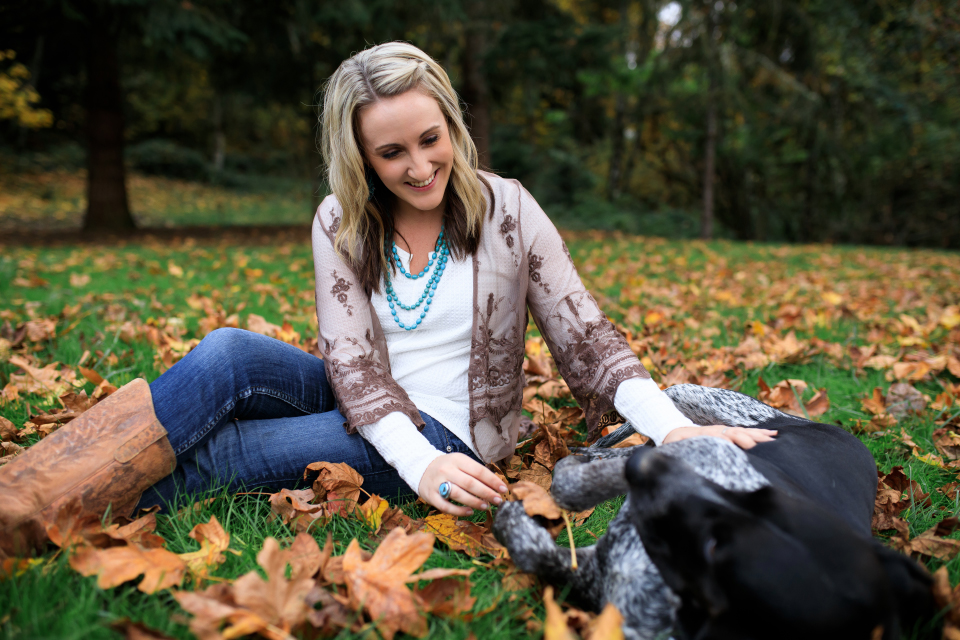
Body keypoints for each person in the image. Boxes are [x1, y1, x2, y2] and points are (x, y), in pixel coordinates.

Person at [0, 42, 775, 556]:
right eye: (391, 152)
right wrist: (412, 459)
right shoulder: (340, 218)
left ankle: (45, 519)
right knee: (229, 351)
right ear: (360, 156)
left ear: (454, 126)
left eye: (430, 139)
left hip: (453, 432)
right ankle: (23, 495)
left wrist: (670, 429)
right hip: (371, 406)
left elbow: (588, 340)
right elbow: (351, 360)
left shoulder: (508, 210)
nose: (418, 166)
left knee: (230, 451)